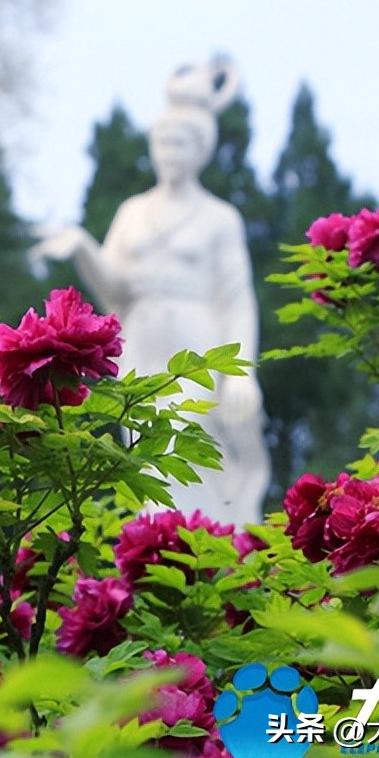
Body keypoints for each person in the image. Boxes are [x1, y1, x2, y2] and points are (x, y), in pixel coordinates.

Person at [31, 59, 269, 526]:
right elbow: (115, 287)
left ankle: (210, 542)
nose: (169, 153)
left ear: (199, 148)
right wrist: (82, 245)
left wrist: (242, 374)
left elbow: (237, 301)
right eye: (162, 143)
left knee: (193, 444)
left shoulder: (220, 218)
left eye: (179, 143)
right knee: (148, 453)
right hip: (143, 349)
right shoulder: (133, 212)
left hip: (197, 349)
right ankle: (155, 547)